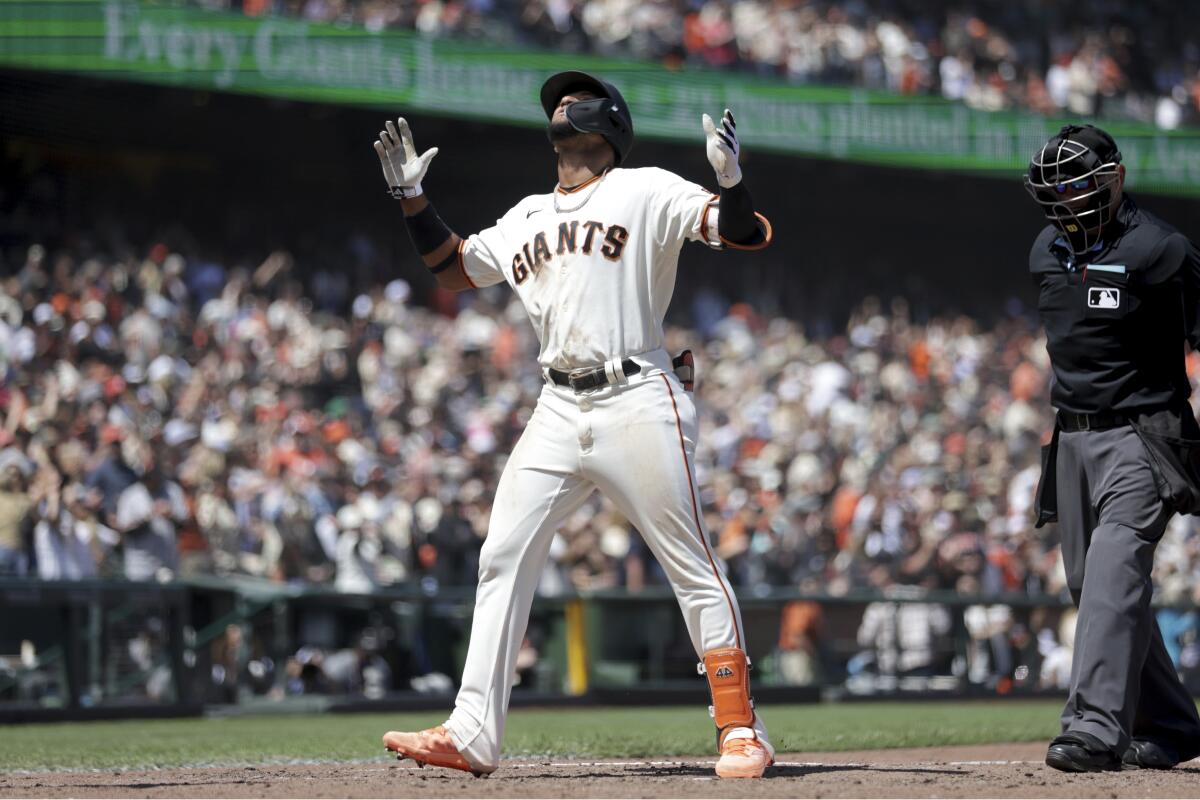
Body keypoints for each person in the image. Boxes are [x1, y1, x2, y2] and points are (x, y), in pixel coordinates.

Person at [373, 71, 775, 779]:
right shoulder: (526, 213)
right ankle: (472, 731)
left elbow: (737, 231)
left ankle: (741, 728)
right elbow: (453, 267)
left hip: (636, 393)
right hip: (556, 406)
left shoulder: (646, 187)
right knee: (502, 555)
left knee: (692, 563)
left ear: (608, 122)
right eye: (555, 101)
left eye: (574, 98)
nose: (560, 105)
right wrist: (411, 200)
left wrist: (732, 178)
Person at [1026, 124, 1200, 772]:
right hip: (1071, 437)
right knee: (1092, 585)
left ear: (1114, 178)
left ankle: (1094, 730)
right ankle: (1175, 725)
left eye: (1075, 186)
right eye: (1052, 190)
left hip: (1142, 437)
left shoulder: (1161, 248)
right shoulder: (1046, 248)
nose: (1063, 200)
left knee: (1110, 578)